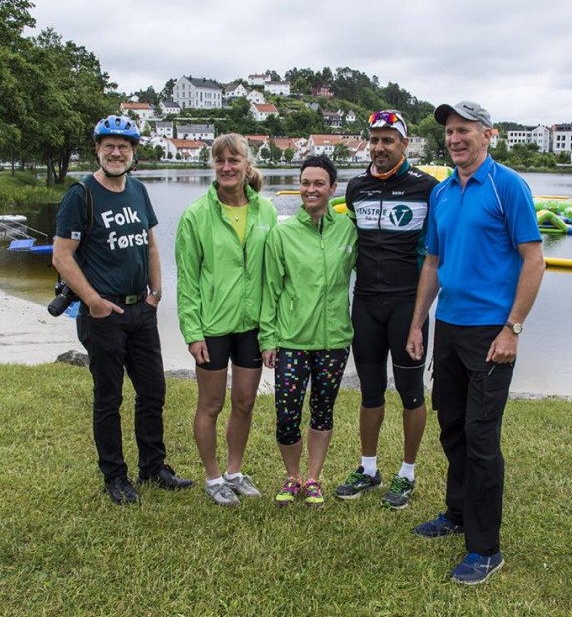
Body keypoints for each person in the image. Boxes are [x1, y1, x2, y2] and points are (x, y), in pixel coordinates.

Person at [406, 100, 545, 585]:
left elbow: (534, 260)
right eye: (449, 131)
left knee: (483, 439)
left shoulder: (508, 187)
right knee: (454, 428)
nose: (455, 138)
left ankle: (485, 549)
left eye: (465, 130)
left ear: (489, 135)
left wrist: (513, 328)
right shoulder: (443, 192)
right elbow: (431, 264)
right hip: (450, 328)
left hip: (492, 333)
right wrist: (418, 323)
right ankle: (457, 513)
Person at [52, 114, 193, 505]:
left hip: (141, 310)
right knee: (108, 398)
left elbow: (149, 244)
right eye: (109, 146)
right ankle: (115, 475)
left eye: (124, 147)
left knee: (153, 392)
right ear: (97, 149)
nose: (117, 152)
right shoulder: (81, 196)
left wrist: (157, 292)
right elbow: (63, 257)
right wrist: (93, 301)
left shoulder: (138, 191)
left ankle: (154, 467)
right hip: (103, 316)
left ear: (133, 153)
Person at [334, 110, 439, 509]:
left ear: (404, 144)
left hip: (407, 307)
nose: (379, 147)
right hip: (366, 304)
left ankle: (407, 474)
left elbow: (435, 255)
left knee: (411, 393)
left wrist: (418, 317)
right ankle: (369, 468)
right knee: (370, 391)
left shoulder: (427, 188)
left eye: (388, 140)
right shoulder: (356, 187)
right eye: (374, 139)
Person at [175, 133, 277, 507]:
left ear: (247, 164)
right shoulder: (196, 216)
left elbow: (271, 275)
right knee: (211, 404)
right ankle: (213, 476)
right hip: (212, 326)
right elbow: (186, 278)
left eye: (234, 160)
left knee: (245, 402)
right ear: (214, 166)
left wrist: (271, 333)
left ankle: (234, 472)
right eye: (220, 161)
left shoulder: (265, 211)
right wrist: (192, 331)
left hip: (252, 325)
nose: (227, 167)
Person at [260, 155, 357, 509]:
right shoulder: (282, 234)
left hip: (334, 340)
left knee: (323, 410)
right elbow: (270, 290)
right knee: (286, 416)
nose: (310, 189)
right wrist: (268, 339)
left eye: (319, 183)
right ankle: (292, 476)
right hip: (291, 340)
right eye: (305, 183)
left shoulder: (348, 230)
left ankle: (313, 479)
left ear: (333, 188)